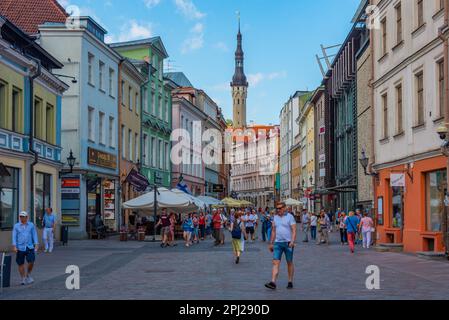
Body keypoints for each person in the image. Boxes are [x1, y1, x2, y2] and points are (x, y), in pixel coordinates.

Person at [265, 202, 297, 290]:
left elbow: (294, 230)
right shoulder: (275, 217)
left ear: (284, 208)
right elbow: (273, 231)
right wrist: (271, 243)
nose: (278, 210)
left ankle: (290, 281)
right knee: (275, 262)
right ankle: (273, 282)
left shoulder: (290, 217)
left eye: (280, 208)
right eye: (277, 208)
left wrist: (292, 241)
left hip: (288, 243)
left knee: (289, 262)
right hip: (278, 243)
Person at [12, 211, 39, 285]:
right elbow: (14, 236)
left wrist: (36, 244)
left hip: (29, 246)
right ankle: (23, 278)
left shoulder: (31, 225)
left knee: (31, 262)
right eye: (20, 216)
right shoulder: (16, 226)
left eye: (23, 216)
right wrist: (14, 246)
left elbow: (34, 234)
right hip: (20, 247)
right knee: (20, 263)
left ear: (27, 217)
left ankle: (28, 274)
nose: (21, 218)